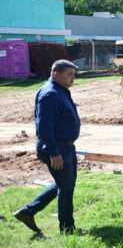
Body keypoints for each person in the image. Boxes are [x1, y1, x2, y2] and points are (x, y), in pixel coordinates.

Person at [14, 60, 81, 235]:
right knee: (66, 188)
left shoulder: (60, 91)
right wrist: (54, 152)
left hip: (65, 147)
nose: (72, 78)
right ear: (55, 73)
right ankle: (67, 229)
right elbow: (43, 127)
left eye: (73, 75)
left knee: (65, 184)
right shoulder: (49, 94)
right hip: (56, 148)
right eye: (69, 74)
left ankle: (28, 212)